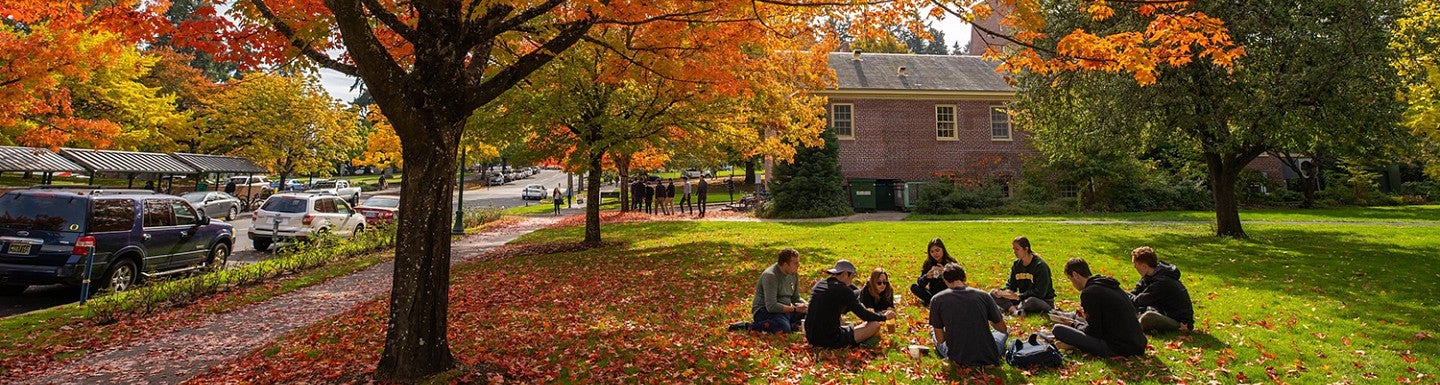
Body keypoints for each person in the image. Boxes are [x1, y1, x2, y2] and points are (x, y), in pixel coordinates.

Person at [1051, 258, 1147, 357]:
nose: (1072, 283)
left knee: (1058, 329)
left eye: (1070, 279)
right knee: (1079, 321)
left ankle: (1071, 343)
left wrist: (1074, 324)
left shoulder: (1089, 293)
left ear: (1075, 275)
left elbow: (1094, 332)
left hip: (1118, 347)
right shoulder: (1108, 285)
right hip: (1138, 343)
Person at [930, 263, 1009, 367]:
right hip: (988, 356)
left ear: (945, 280)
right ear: (964, 277)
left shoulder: (937, 299)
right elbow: (1002, 329)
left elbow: (940, 339)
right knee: (1004, 332)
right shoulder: (984, 295)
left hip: (958, 358)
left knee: (933, 330)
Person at [805, 260, 896, 348]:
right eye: (852, 277)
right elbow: (864, 315)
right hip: (830, 339)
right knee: (875, 325)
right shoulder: (843, 290)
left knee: (843, 321)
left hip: (811, 336)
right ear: (845, 274)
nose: (851, 281)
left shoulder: (819, 284)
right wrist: (884, 317)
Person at [737, 248, 808, 333]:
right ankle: (747, 326)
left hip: (785, 310)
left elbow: (795, 298)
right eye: (795, 263)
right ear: (785, 264)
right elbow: (771, 306)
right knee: (782, 327)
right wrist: (795, 309)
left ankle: (791, 325)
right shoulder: (771, 276)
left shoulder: (793, 274)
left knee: (814, 316)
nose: (798, 265)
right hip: (765, 311)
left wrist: (808, 306)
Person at [1129, 247, 1195, 333]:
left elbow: (1139, 301)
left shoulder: (1162, 282)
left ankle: (1131, 326)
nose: (1134, 267)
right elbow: (1134, 294)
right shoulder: (1149, 276)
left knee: (1148, 317)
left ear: (1144, 266)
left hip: (1178, 321)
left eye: (1135, 265)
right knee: (1130, 307)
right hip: (1162, 312)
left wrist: (1123, 296)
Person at [991, 236, 1055, 316]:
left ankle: (1012, 308)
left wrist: (1019, 296)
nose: (1015, 252)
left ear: (1026, 249)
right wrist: (1003, 291)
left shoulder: (1040, 266)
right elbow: (1011, 285)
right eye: (1013, 249)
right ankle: (1015, 311)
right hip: (1022, 299)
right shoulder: (1016, 264)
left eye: (1017, 249)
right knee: (993, 293)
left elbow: (1040, 293)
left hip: (1041, 300)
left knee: (1031, 301)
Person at [910, 238, 958, 306]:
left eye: (937, 250)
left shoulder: (950, 262)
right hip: (933, 293)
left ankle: (935, 301)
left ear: (943, 250)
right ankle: (933, 301)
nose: (935, 254)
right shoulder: (928, 263)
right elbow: (920, 283)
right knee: (914, 287)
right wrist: (927, 276)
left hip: (948, 292)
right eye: (932, 252)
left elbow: (959, 281)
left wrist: (946, 272)